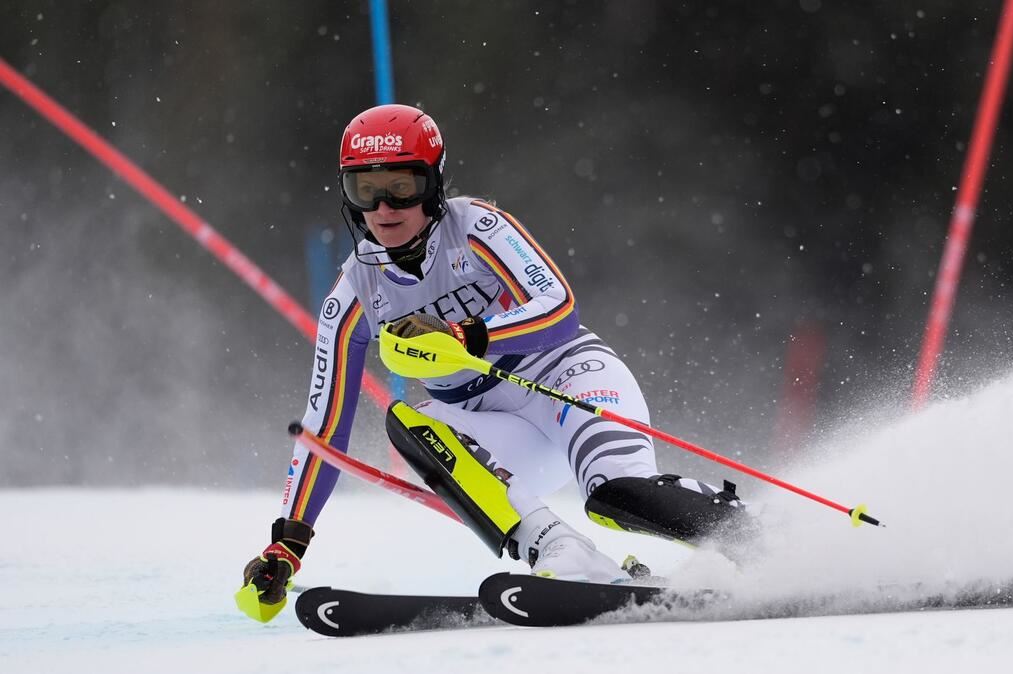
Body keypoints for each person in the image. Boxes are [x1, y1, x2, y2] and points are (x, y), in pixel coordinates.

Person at [240, 104, 752, 614]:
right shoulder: (353, 292)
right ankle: (561, 550)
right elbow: (325, 425)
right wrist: (288, 543)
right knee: (411, 426)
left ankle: (763, 541)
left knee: (616, 497)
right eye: (363, 190)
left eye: (402, 186)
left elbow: (559, 309)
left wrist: (466, 334)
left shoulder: (477, 226)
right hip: (493, 429)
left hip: (568, 381)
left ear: (434, 183)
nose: (383, 208)